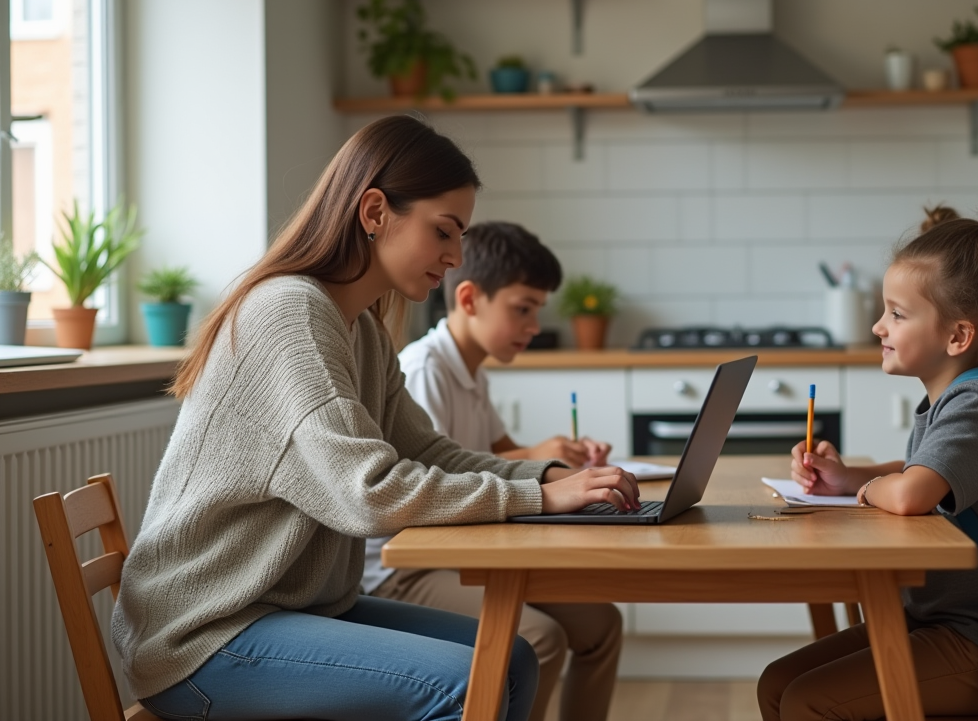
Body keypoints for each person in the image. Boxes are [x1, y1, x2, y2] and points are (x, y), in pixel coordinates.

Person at [110, 116, 640, 721]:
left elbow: (428, 452)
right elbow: (368, 493)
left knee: (512, 660)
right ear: (374, 212)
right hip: (208, 633)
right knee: (468, 684)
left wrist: (547, 479)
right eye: (444, 231)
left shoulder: (359, 328)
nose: (457, 256)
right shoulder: (290, 315)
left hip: (295, 608)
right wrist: (535, 499)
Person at [757, 186, 978, 721]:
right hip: (941, 626)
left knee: (807, 701)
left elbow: (915, 493)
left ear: (958, 335)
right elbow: (920, 471)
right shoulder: (954, 400)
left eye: (896, 314)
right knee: (777, 684)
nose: (878, 328)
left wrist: (864, 488)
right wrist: (847, 476)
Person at [365, 221, 622, 721]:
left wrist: (555, 461)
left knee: (600, 624)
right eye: (521, 309)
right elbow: (426, 494)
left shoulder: (470, 369)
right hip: (404, 570)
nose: (533, 326)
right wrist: (545, 485)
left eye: (537, 311)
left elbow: (499, 452)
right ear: (469, 299)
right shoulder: (424, 371)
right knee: (541, 640)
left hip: (467, 548)